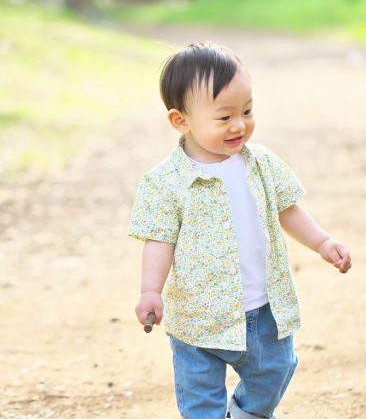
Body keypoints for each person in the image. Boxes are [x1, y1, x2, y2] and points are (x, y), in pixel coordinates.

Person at [128, 42, 352, 419]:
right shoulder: (165, 182)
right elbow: (159, 240)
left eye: (247, 111)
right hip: (198, 318)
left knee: (276, 371)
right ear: (181, 121)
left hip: (263, 308)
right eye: (224, 117)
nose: (240, 125)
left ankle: (246, 413)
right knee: (200, 396)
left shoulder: (261, 164)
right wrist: (150, 290)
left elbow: (288, 209)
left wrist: (323, 242)